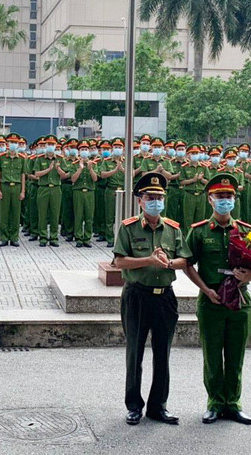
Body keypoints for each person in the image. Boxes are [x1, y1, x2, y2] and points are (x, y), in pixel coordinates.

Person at [112, 171, 189, 427]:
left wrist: (169, 263)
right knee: (134, 353)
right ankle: (134, 406)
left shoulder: (173, 229)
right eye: (150, 197)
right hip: (137, 296)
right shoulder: (128, 227)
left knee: (162, 354)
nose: (155, 202)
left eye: (159, 197)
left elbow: (185, 259)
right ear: (140, 201)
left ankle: (158, 406)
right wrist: (148, 260)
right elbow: (119, 261)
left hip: (164, 298)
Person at [185, 172, 251, 426]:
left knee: (236, 356)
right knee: (213, 356)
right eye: (220, 196)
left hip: (239, 301)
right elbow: (187, 264)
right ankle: (215, 403)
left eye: (229, 196)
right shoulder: (199, 232)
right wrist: (206, 289)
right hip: (212, 301)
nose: (224, 200)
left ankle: (233, 404)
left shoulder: (247, 231)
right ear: (210, 199)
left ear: (235, 199)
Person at [0, 133, 26, 247]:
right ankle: (4, 237)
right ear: (8, 144)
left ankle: (14, 237)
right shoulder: (1, 157)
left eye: (15, 142)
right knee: (4, 213)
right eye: (11, 142)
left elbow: (23, 175)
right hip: (5, 186)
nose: (13, 144)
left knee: (16, 213)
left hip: (17, 187)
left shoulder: (22, 159)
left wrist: (23, 191)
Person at [71, 140, 98, 247]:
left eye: (86, 149)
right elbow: (73, 179)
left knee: (89, 216)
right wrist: (80, 168)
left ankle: (87, 238)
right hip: (78, 192)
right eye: (82, 149)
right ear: (78, 151)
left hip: (90, 192)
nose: (84, 151)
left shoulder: (93, 164)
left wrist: (90, 169)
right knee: (78, 215)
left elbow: (95, 179)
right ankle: (78, 238)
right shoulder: (75, 164)